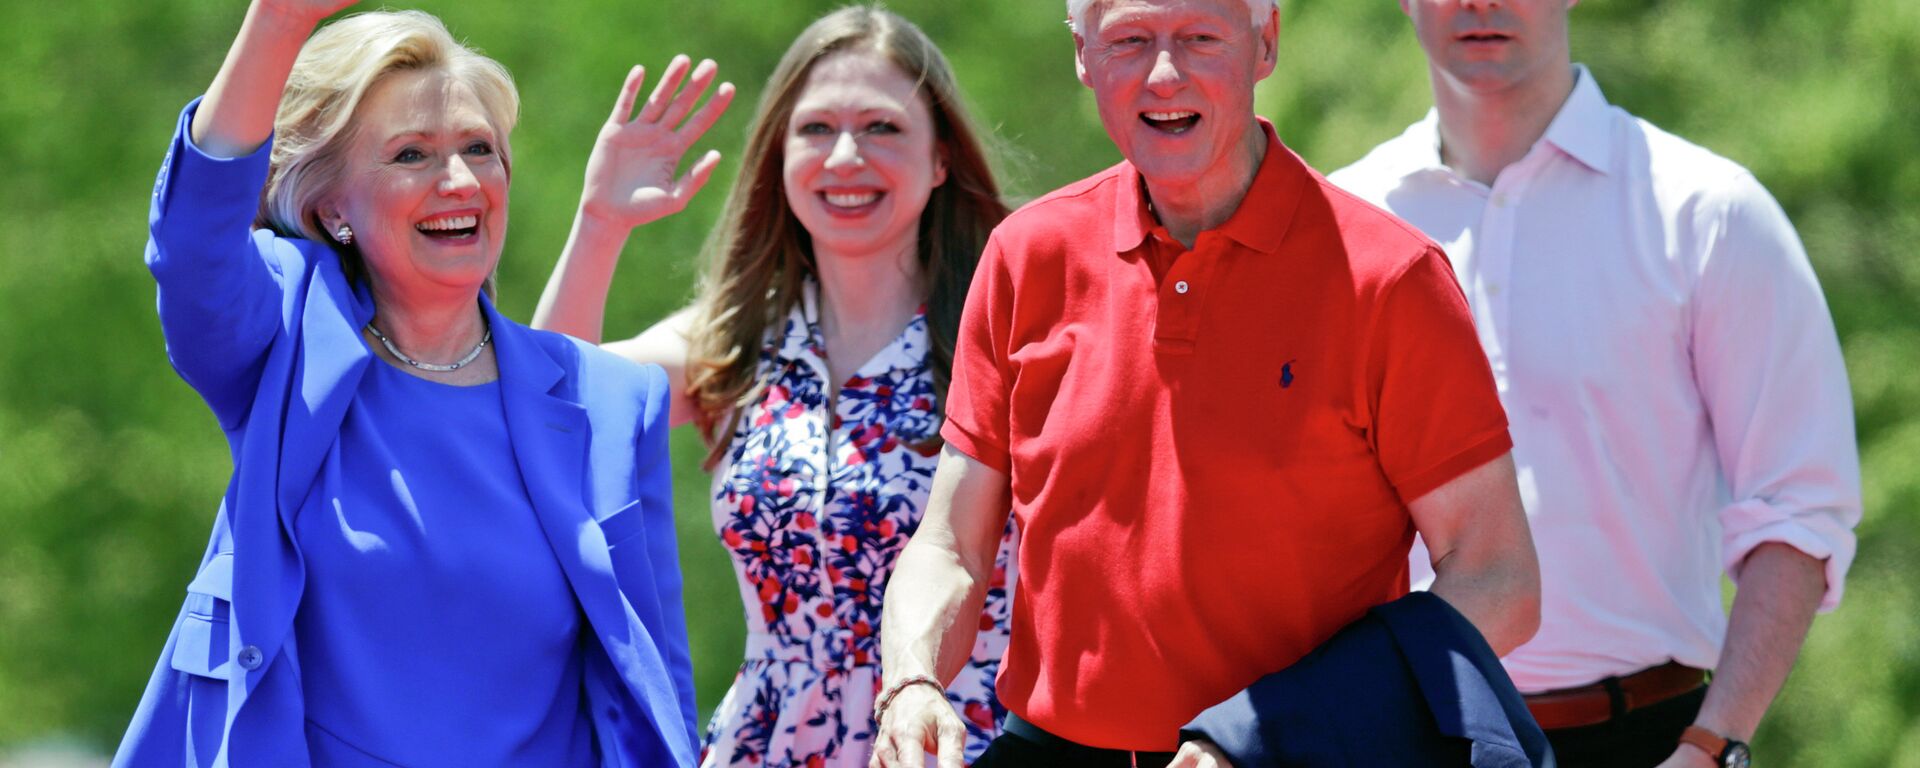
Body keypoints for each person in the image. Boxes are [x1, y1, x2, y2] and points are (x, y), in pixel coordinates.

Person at [870, 0, 1545, 766]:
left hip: (1287, 756)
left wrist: (1268, 732)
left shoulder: (1391, 280)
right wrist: (912, 680)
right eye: (1129, 40)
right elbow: (951, 545)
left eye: (1199, 38)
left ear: (1265, 44)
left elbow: (1500, 581)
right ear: (1083, 57)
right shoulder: (1027, 257)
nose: (1164, 74)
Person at [113, 2, 703, 765]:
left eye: (479, 149)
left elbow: (655, 690)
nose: (458, 180)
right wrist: (277, 25)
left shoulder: (612, 402)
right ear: (334, 208)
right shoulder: (287, 343)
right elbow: (194, 249)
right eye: (411, 155)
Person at [1329, 1, 1861, 766]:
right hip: (1403, 733)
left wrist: (1711, 747)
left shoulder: (1708, 212)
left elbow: (1797, 512)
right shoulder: (1345, 224)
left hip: (1652, 738)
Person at [533, 7, 1018, 766]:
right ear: (780, 158)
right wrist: (599, 223)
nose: (846, 155)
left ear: (941, 159)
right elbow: (550, 400)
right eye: (816, 129)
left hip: (952, 744)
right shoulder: (732, 346)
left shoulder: (1006, 336)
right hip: (766, 746)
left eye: (883, 128)